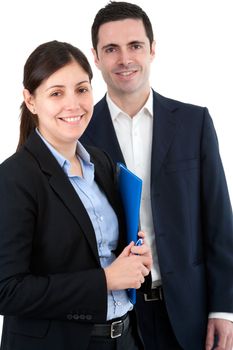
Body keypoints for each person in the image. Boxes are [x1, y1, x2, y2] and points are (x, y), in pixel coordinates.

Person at [80, 2, 233, 349]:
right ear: (96, 57)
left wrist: (224, 309)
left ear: (152, 49)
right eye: (111, 49)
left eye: (134, 46)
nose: (124, 59)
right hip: (110, 319)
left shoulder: (195, 123)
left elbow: (219, 221)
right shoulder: (80, 136)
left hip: (188, 310)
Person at [0, 40, 153, 350]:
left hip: (124, 339)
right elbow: (7, 291)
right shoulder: (14, 178)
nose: (74, 104)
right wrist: (106, 280)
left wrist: (138, 261)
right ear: (30, 100)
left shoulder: (102, 162)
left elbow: (111, 251)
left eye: (82, 89)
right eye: (56, 93)